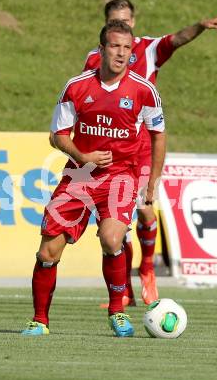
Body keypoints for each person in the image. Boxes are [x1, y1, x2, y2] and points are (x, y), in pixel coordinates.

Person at [22, 20, 166, 337]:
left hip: (120, 178)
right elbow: (57, 136)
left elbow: (158, 136)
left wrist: (152, 180)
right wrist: (83, 156)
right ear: (100, 49)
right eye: (115, 46)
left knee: (112, 238)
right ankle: (40, 320)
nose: (121, 53)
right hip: (79, 177)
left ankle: (117, 312)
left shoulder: (144, 91)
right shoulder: (77, 87)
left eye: (127, 48)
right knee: (48, 252)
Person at [82, 0, 217, 307]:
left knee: (146, 208)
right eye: (113, 21)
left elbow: (177, 38)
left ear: (133, 23)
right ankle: (125, 291)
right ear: (106, 26)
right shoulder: (95, 58)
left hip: (143, 147)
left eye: (125, 20)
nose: (121, 26)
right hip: (112, 149)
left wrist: (199, 27)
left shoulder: (148, 48)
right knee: (116, 229)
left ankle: (147, 269)